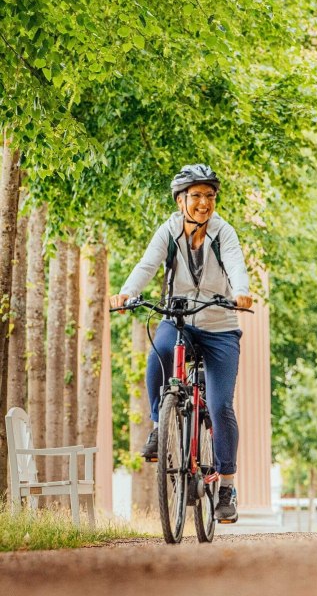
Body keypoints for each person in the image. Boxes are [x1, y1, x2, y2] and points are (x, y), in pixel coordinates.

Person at [109, 163, 252, 523]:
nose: (204, 203)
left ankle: (225, 487)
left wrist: (242, 292)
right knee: (158, 354)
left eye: (209, 196)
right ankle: (160, 423)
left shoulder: (224, 233)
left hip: (220, 324)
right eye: (196, 196)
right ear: (180, 201)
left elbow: (236, 264)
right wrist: (128, 293)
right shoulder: (169, 231)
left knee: (220, 406)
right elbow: (147, 265)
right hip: (180, 319)